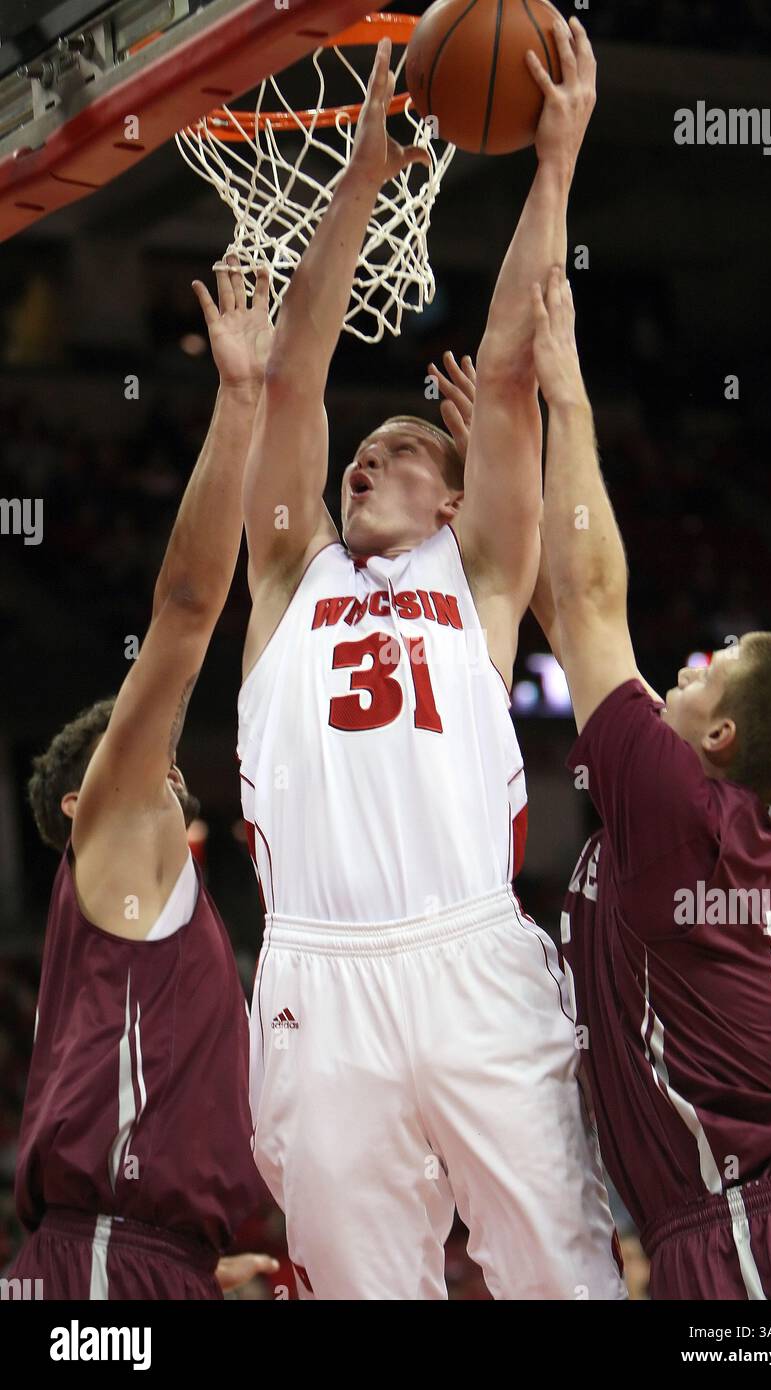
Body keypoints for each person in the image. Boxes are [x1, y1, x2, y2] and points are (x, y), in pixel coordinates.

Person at [237, 23, 625, 1299]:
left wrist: (552, 161)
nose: (365, 458)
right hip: (316, 977)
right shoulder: (288, 578)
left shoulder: (483, 575)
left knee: (563, 1276)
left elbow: (505, 373)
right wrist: (356, 186)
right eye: (361, 454)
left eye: (401, 448)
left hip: (471, 956)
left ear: (455, 499)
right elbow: (291, 386)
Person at [531, 261, 771, 1300]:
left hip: (745, 1238)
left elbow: (590, 600)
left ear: (718, 733)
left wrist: (565, 392)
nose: (682, 667)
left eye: (707, 667)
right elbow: (562, 610)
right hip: (753, 1231)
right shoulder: (715, 815)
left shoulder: (679, 804)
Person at [6, 262, 276, 1300]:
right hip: (108, 1263)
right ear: (88, 802)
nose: (164, 764)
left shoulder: (145, 917)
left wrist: (194, 1262)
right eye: (138, 759)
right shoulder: (117, 827)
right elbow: (186, 607)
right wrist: (240, 402)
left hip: (140, 1260)